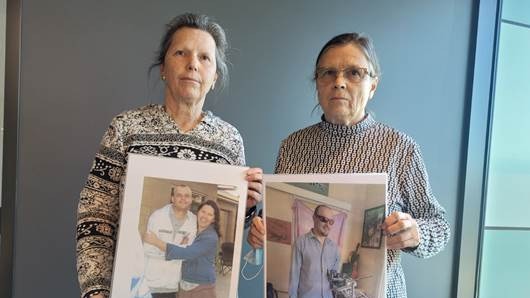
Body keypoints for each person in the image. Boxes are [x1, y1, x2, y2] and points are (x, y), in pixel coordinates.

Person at [248, 33, 450, 298]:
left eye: (354, 73)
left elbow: (440, 225)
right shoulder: (292, 146)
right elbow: (273, 218)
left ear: (373, 85)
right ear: (317, 83)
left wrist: (416, 234)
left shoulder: (400, 148)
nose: (339, 82)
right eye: (328, 73)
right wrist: (260, 233)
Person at [76, 13, 262, 298]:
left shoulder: (229, 140)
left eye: (204, 58)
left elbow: (230, 234)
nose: (192, 64)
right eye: (181, 53)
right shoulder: (126, 128)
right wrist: (97, 291)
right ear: (163, 66)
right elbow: (95, 218)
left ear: (215, 77)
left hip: (191, 287)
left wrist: (247, 208)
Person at [144, 200, 221, 298]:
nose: (204, 216)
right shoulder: (194, 231)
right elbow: (187, 251)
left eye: (209, 214)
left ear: (214, 219)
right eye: (203, 212)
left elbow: (187, 253)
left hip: (201, 287)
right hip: (186, 285)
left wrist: (156, 242)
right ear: (198, 212)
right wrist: (182, 246)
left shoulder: (210, 237)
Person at [142, 185, 197, 297]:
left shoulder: (193, 221)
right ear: (172, 198)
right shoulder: (157, 216)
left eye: (187, 196)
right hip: (151, 283)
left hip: (172, 284)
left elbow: (188, 254)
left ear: (191, 200)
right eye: (179, 195)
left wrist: (159, 243)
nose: (183, 199)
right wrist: (177, 251)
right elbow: (147, 249)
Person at [289, 205, 340, 298]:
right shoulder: (300, 243)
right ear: (314, 218)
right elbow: (294, 277)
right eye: (323, 219)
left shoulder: (334, 248)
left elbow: (335, 279)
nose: (327, 225)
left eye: (331, 221)